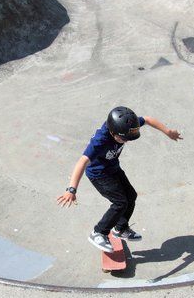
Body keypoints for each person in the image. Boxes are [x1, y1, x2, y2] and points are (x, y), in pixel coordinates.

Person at [56, 107, 182, 252]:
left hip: (113, 168)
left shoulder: (126, 126)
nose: (126, 142)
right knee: (120, 202)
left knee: (131, 196)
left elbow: (147, 119)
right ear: (112, 132)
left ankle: (120, 229)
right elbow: (82, 162)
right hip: (99, 174)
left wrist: (168, 132)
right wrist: (71, 189)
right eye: (123, 139)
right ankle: (98, 232)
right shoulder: (100, 141)